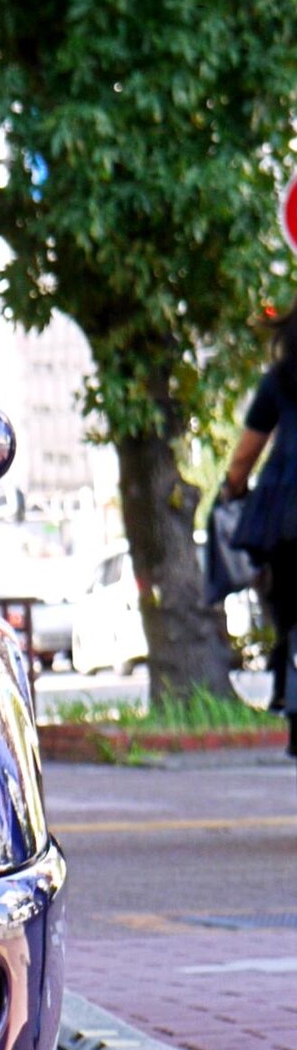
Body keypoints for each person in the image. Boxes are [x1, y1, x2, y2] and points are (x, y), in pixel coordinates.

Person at [222, 311, 297, 755]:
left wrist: (233, 489)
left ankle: (289, 691)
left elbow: (244, 456)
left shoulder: (280, 381)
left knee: (289, 617)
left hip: (283, 519)